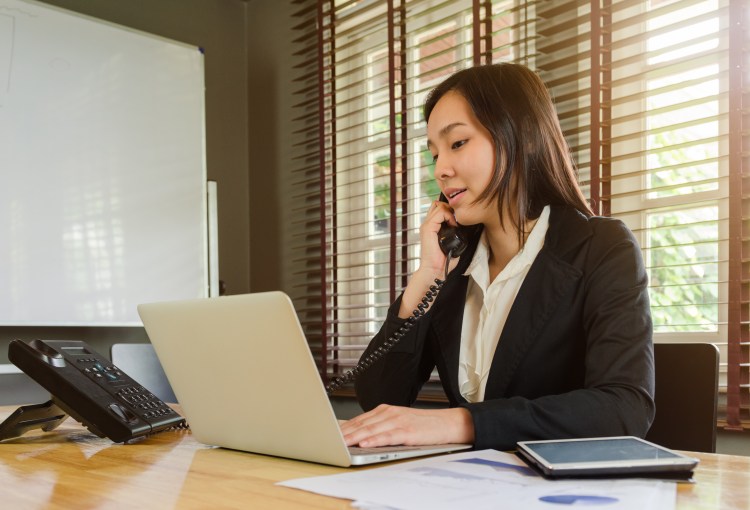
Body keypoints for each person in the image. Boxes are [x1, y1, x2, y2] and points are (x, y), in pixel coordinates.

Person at [340, 63, 655, 452]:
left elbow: (624, 409)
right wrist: (427, 276)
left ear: (522, 137)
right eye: (434, 154)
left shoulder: (602, 247)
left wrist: (461, 422)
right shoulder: (454, 264)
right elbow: (379, 397)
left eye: (456, 144)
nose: (441, 169)